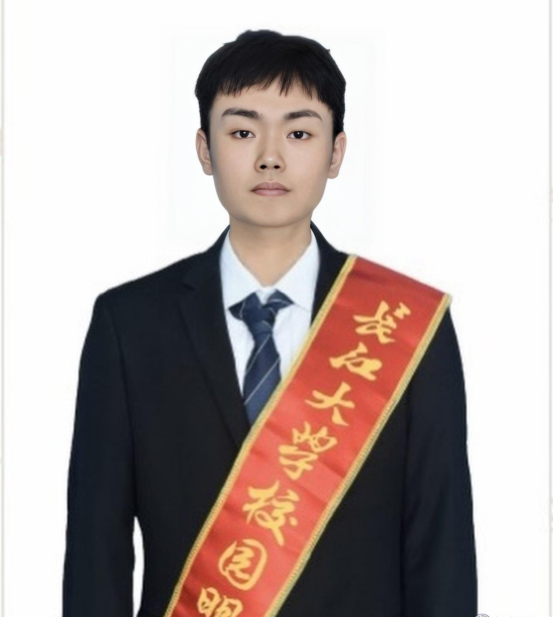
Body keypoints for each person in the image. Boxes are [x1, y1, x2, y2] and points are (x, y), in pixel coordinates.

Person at [62, 29, 477, 617]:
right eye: (242, 131)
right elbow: (95, 554)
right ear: (205, 149)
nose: (270, 156)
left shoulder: (405, 324)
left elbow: (442, 545)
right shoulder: (130, 325)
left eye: (300, 132)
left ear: (336, 152)